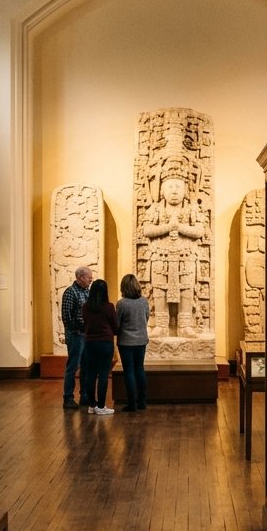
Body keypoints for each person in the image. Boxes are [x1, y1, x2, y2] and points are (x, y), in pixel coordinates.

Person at [143, 155, 206, 339]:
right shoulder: (156, 208)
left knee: (186, 288)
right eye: (170, 186)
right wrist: (167, 227)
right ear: (162, 189)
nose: (174, 191)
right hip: (159, 256)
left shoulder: (191, 209)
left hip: (186, 255)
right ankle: (161, 325)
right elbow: (147, 230)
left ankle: (185, 325)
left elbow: (200, 230)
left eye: (178, 186)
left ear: (186, 189)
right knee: (159, 288)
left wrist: (180, 228)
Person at [81, 278, 119, 416]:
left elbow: (85, 324)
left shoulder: (85, 306)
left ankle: (92, 405)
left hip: (90, 343)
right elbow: (115, 327)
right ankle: (101, 406)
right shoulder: (108, 307)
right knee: (103, 375)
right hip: (105, 343)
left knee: (90, 374)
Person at [61, 265, 93, 410]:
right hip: (76, 336)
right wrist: (79, 328)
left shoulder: (88, 291)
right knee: (73, 367)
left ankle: (84, 395)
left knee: (86, 366)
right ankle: (68, 397)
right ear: (80, 278)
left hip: (86, 335)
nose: (90, 279)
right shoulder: (70, 292)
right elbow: (67, 317)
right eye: (88, 277)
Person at [116, 273, 150, 412]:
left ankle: (132, 403)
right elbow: (146, 317)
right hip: (141, 339)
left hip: (126, 341)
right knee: (139, 369)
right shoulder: (144, 301)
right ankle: (142, 402)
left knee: (129, 371)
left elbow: (117, 323)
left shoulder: (122, 303)